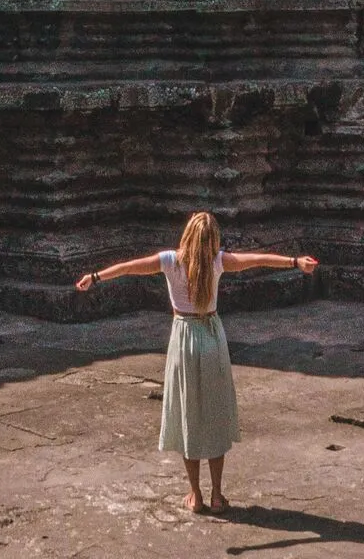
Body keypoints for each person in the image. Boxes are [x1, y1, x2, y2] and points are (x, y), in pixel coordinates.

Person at [76, 211, 318, 515]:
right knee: (214, 414)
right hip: (212, 336)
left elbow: (127, 268)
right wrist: (295, 262)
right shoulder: (219, 260)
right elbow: (257, 259)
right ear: (213, 239)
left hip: (184, 337)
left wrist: (95, 277)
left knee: (188, 413)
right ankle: (217, 495)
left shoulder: (169, 260)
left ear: (187, 234)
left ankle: (195, 494)